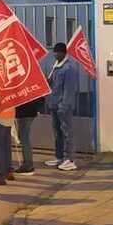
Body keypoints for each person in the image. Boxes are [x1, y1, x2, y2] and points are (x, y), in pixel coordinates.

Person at [43, 43, 80, 171]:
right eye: (54, 52)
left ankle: (69, 159)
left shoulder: (68, 68)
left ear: (63, 53)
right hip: (54, 105)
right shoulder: (56, 66)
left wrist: (63, 106)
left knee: (66, 132)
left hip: (63, 107)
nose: (55, 55)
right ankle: (59, 157)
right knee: (57, 133)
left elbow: (69, 90)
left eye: (57, 52)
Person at [14, 97, 44, 176]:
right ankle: (28, 164)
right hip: (30, 111)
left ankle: (28, 165)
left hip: (25, 113)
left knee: (24, 138)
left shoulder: (23, 86)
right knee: (24, 137)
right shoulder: (32, 87)